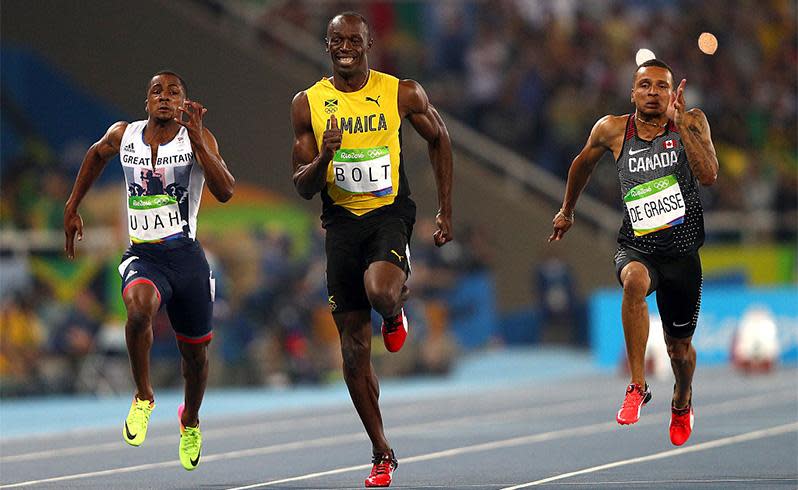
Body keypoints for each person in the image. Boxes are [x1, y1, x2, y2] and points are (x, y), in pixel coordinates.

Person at [290, 11, 453, 487]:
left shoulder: (400, 91)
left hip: (388, 214)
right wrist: (325, 156)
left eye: (353, 40)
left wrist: (445, 210)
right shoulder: (308, 104)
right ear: (327, 46)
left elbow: (440, 138)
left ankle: (395, 311)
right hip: (340, 223)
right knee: (354, 351)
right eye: (336, 40)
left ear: (368, 43)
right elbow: (301, 185)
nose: (345, 47)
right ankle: (381, 450)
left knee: (381, 290)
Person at [64, 71, 235, 470]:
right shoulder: (124, 135)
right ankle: (144, 395)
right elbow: (95, 155)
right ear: (146, 102)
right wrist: (72, 206)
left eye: (173, 92)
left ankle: (190, 419)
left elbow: (225, 190)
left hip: (187, 260)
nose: (164, 97)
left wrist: (197, 138)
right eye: (156, 91)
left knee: (195, 357)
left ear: (183, 104)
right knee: (139, 308)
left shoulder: (197, 139)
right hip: (145, 257)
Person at [548, 59, 718, 446]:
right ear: (633, 92)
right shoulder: (611, 129)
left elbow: (708, 175)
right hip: (637, 246)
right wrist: (567, 211)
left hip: (682, 253)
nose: (653, 93)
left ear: (671, 92)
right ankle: (637, 385)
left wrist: (680, 125)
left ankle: (682, 397)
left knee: (680, 352)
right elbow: (581, 165)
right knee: (633, 282)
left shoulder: (692, 121)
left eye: (661, 86)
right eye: (645, 86)